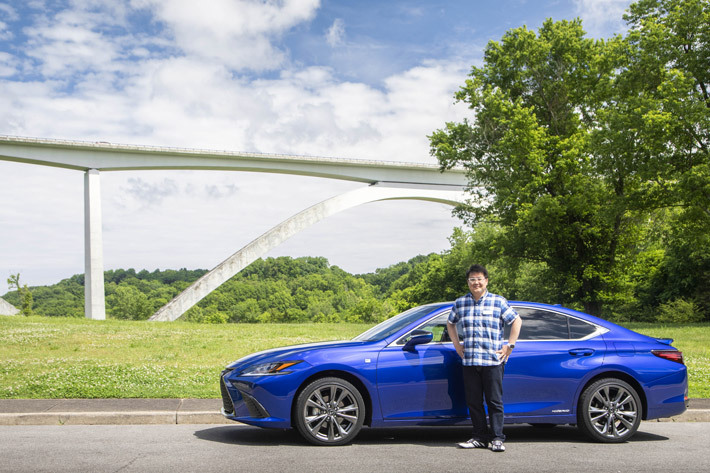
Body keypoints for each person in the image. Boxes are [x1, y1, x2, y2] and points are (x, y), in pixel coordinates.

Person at [447, 264, 522, 452]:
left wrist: (509, 345)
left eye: (479, 279)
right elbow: (450, 323)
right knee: (473, 402)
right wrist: (457, 345)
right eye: (472, 279)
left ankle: (497, 438)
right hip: (470, 361)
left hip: (493, 361)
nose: (476, 283)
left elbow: (516, 320)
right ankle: (479, 437)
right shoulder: (461, 303)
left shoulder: (498, 302)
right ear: (468, 282)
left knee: (494, 401)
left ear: (486, 281)